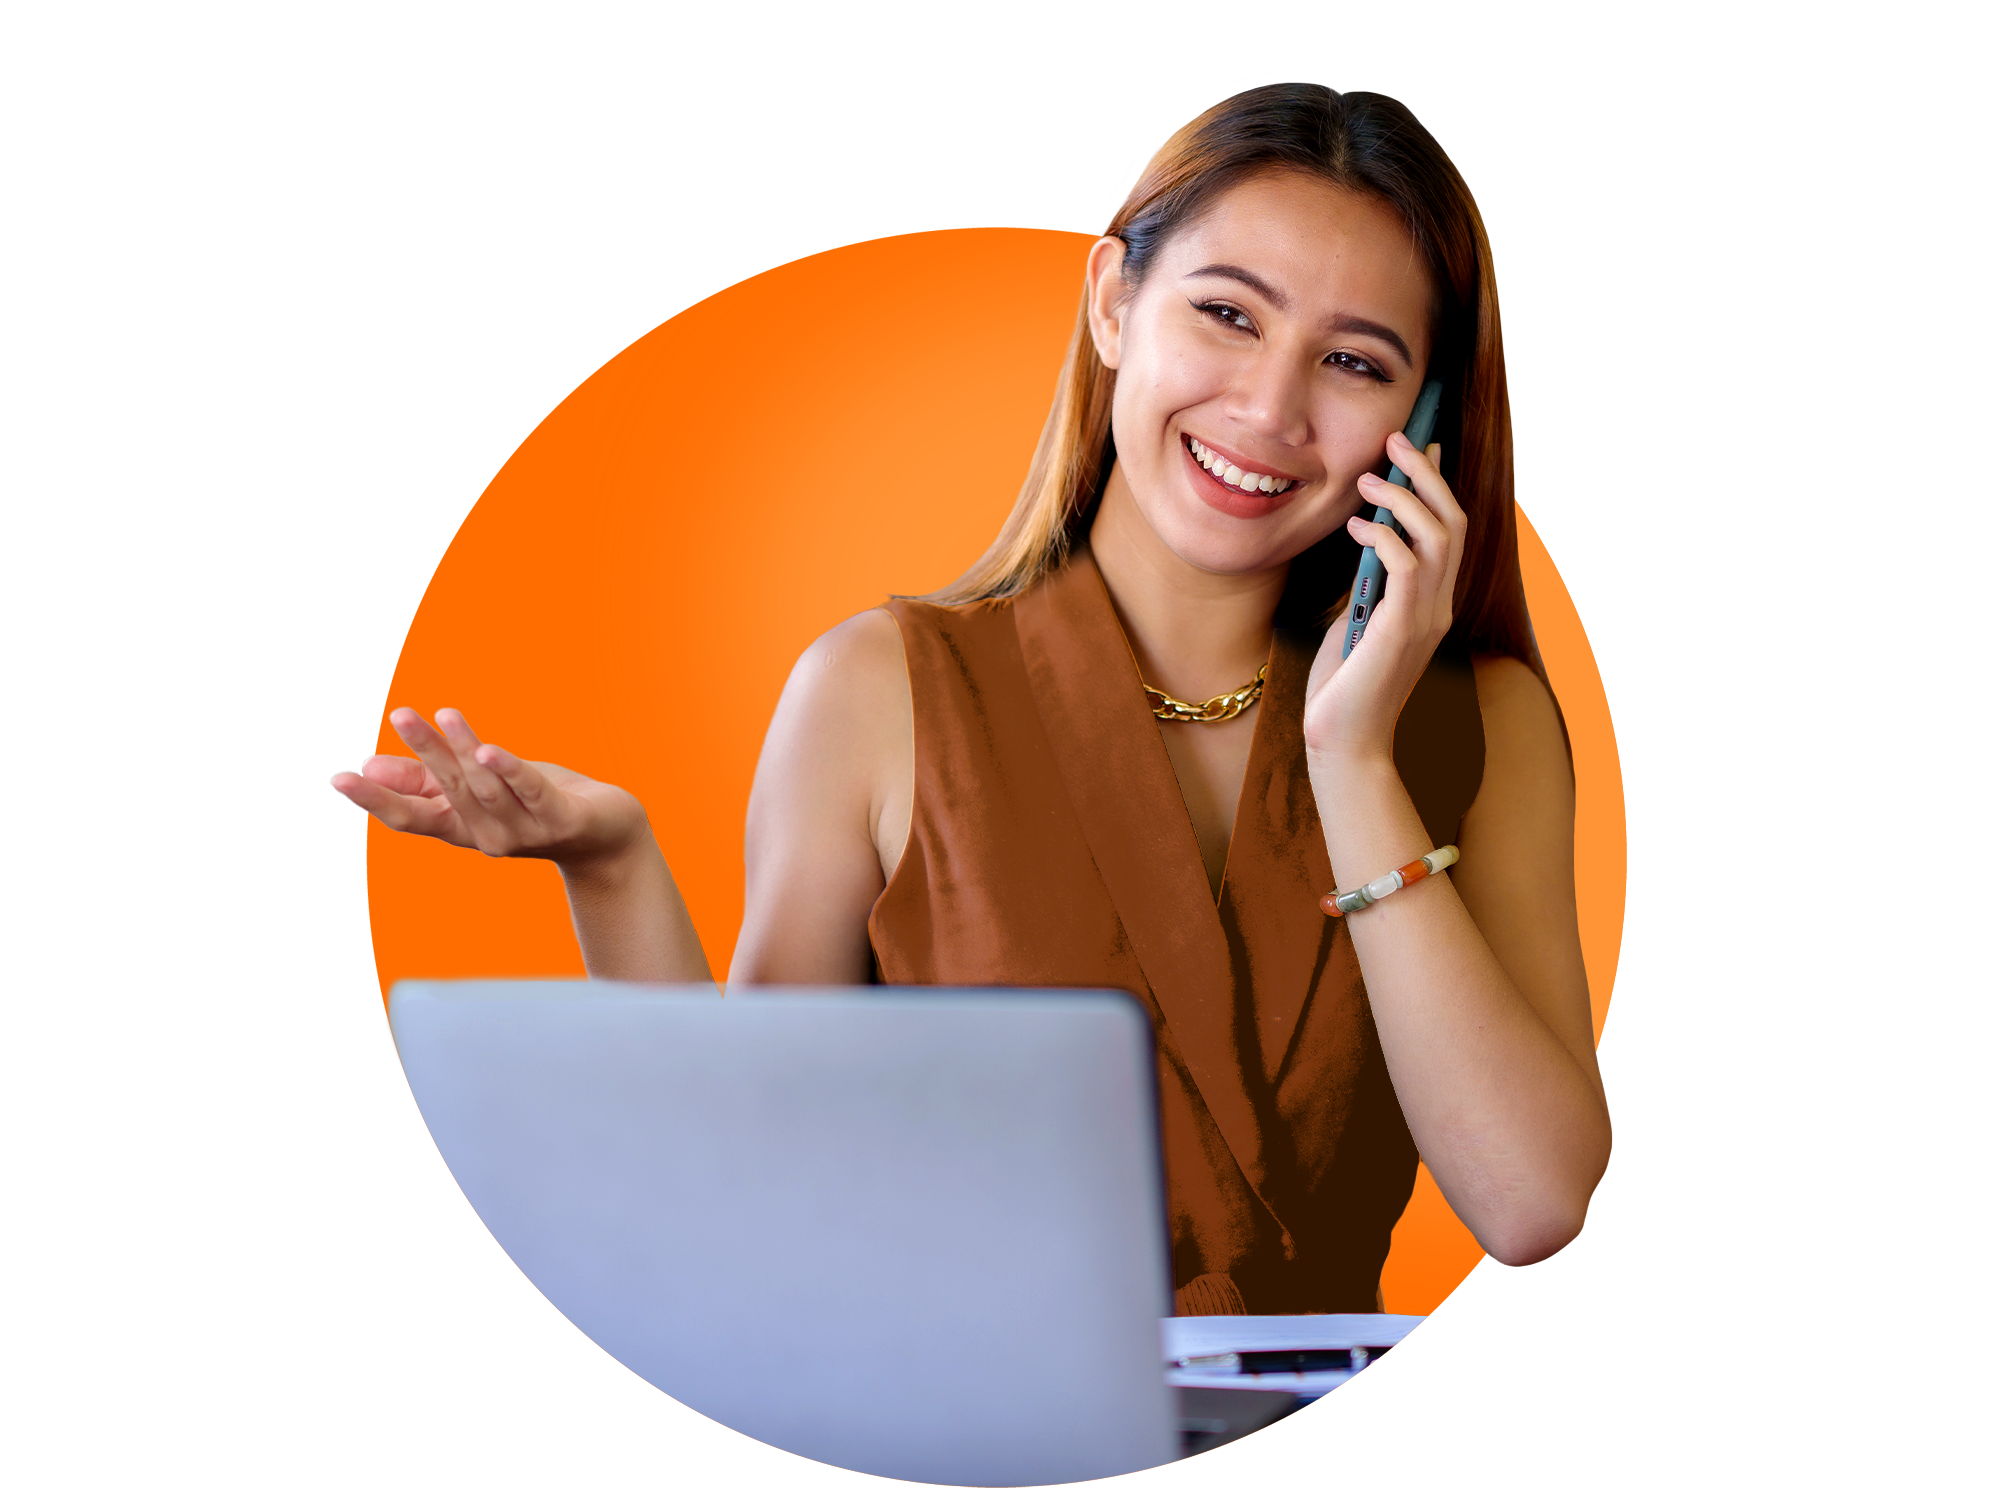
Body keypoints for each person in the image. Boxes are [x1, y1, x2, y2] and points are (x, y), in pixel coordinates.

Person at [333, 83, 1612, 1316]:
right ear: (1114, 303)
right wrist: (609, 864)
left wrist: (1352, 761)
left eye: (1351, 360)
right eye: (1226, 315)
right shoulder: (877, 691)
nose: (1269, 409)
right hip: (972, 1432)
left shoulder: (1480, 723)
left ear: (1423, 419)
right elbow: (742, 1192)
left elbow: (1526, 1201)